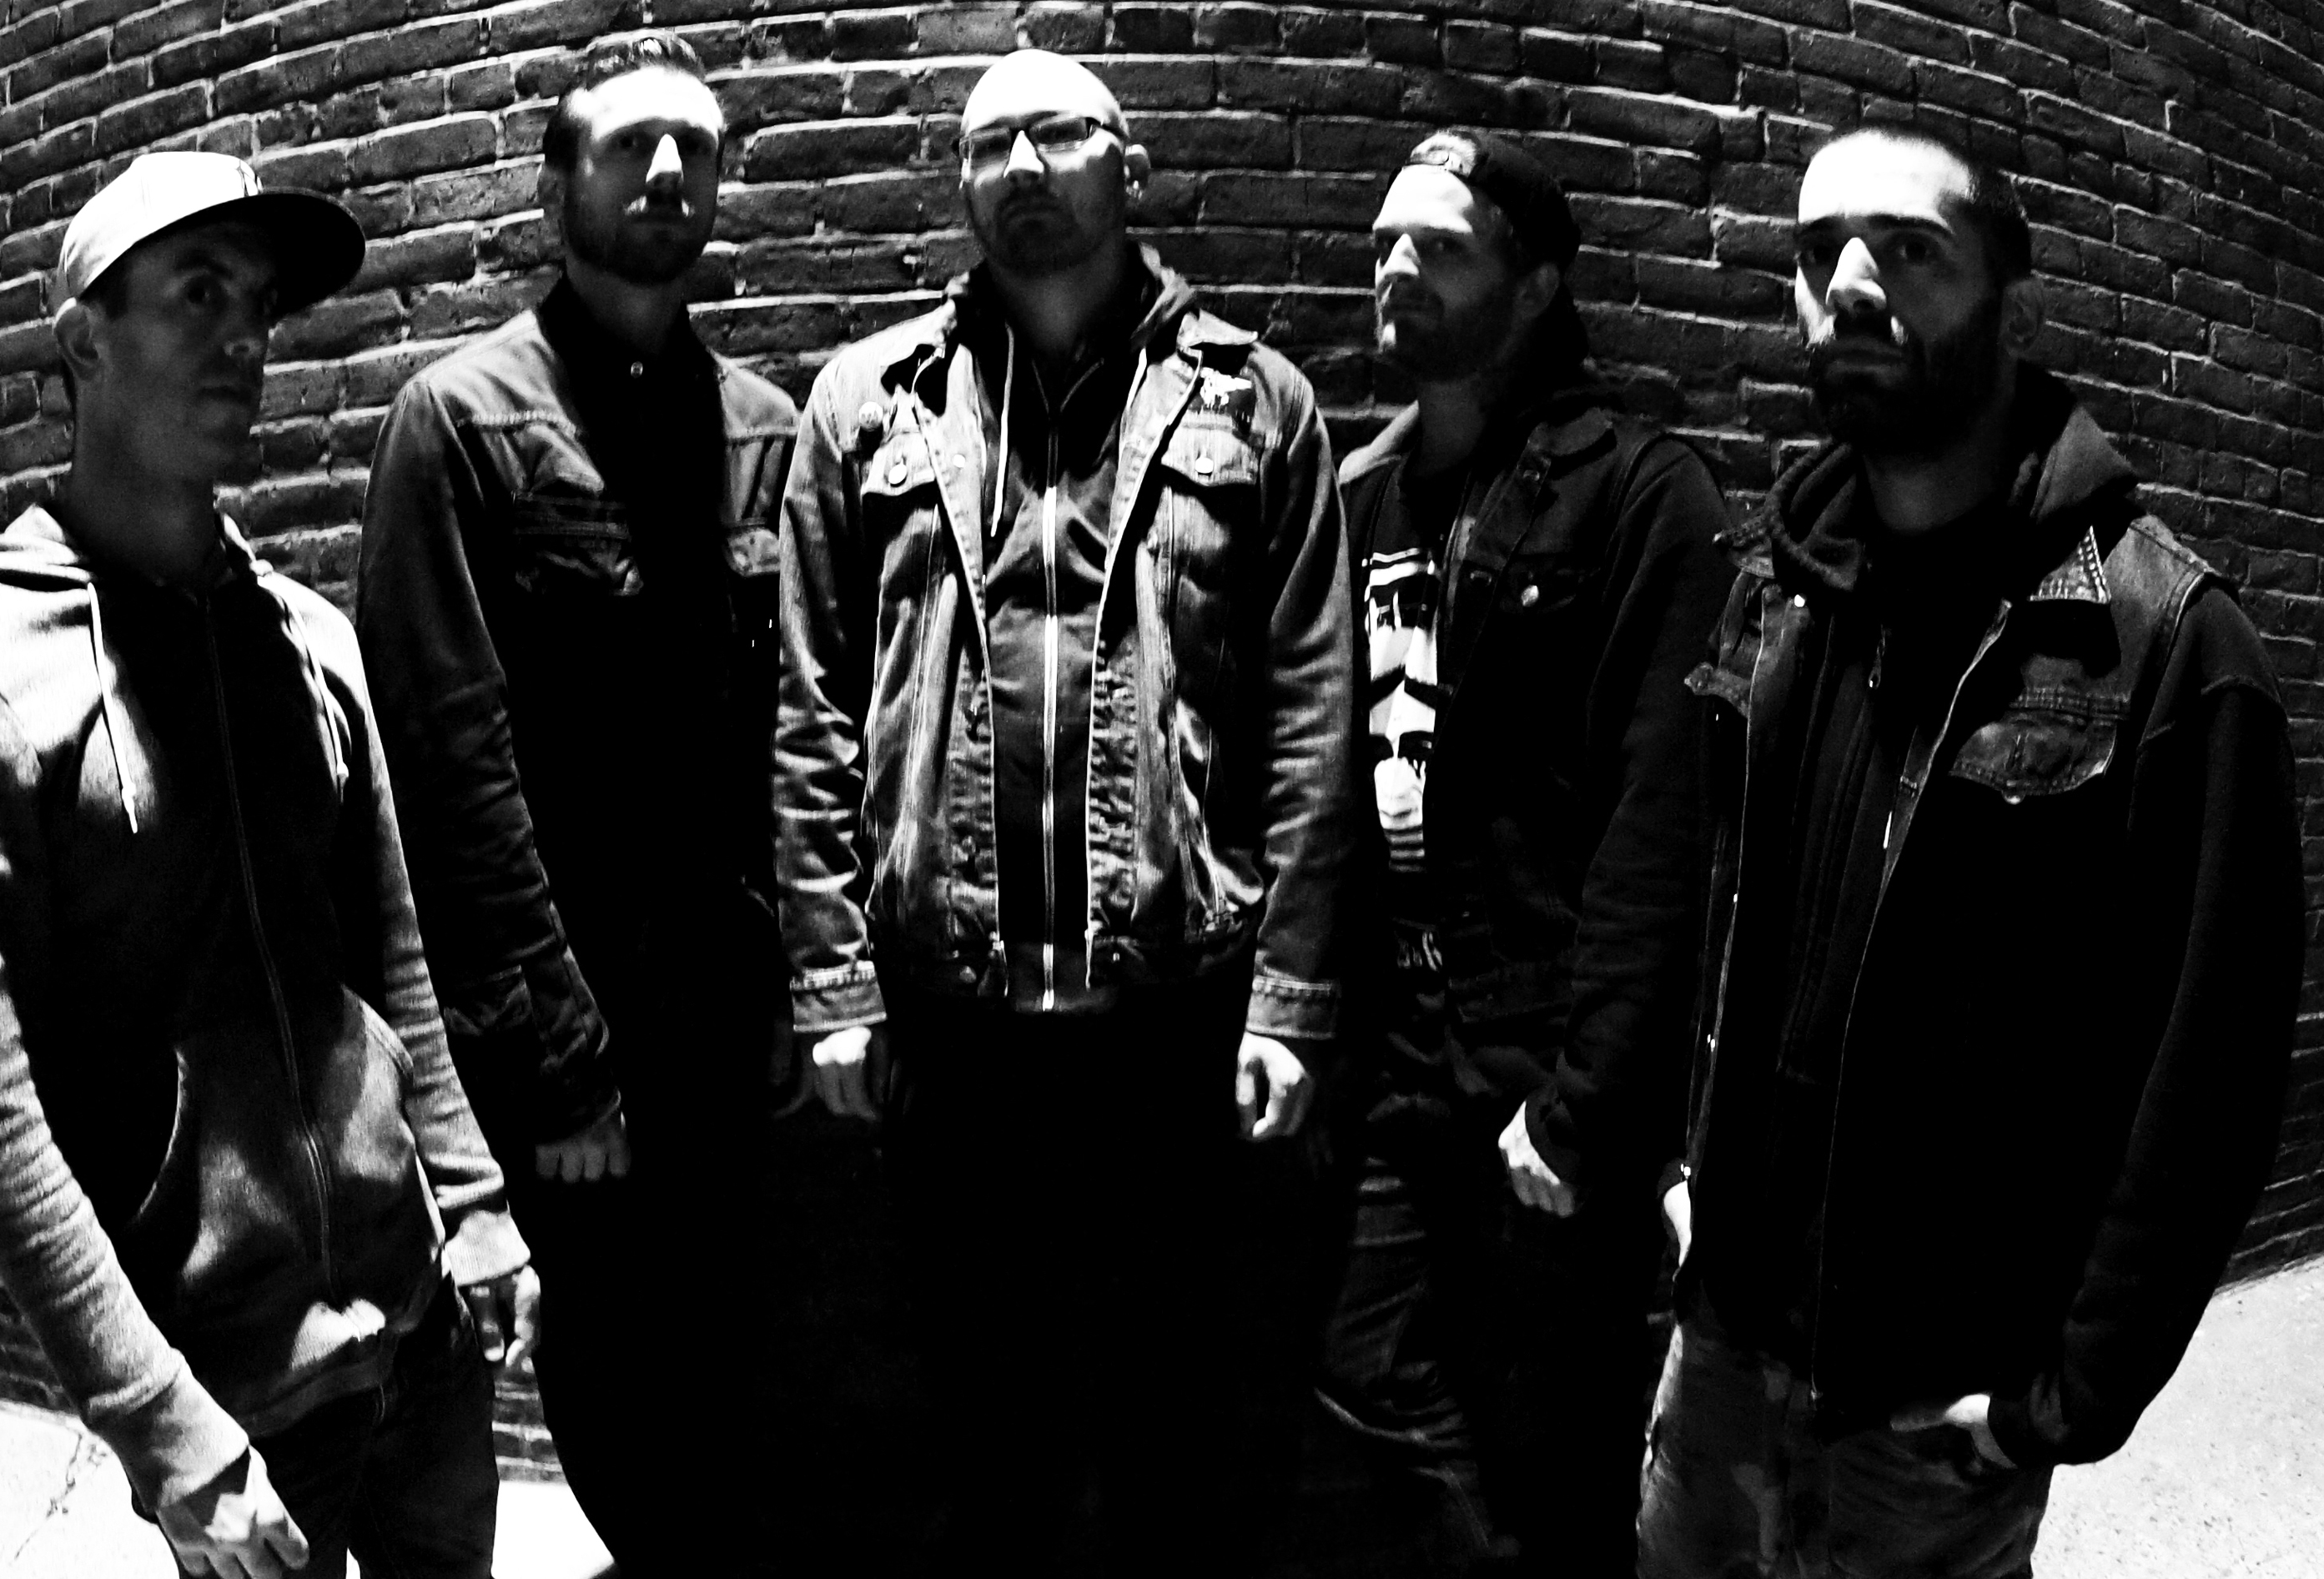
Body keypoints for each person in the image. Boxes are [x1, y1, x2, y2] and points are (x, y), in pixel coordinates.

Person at [0, 151, 536, 1579]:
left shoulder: (310, 643)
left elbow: (396, 957)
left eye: (262, 306)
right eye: (199, 292)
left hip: (421, 1337)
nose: (247, 338)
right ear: (83, 340)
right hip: (231, 1398)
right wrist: (159, 1425)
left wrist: (474, 1208)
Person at [1637, 126, 2301, 1579]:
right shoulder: (1773, 585)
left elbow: (2215, 1068)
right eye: (1818, 251)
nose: (1849, 283)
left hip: (1935, 1409)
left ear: (2020, 309)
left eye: (1909, 249)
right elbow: (1712, 906)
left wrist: (2065, 1396)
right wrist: (1684, 1175)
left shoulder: (2165, 641)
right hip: (1723, 1340)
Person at [772, 48, 1358, 1576]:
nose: (1022, 166)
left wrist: (1290, 999)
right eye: (988, 144)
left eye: (1057, 133)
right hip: (947, 1025)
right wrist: (834, 983)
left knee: (1179, 1428)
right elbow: (812, 707)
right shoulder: (867, 401)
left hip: (1174, 1019)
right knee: (980, 1429)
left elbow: (1313, 715)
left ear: (1130, 165)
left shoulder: (1258, 402)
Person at [354, 28, 796, 1573]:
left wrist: (799, 993)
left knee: (743, 1387)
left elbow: (796, 748)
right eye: (628, 145)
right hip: (577, 1037)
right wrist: (558, 1072)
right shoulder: (460, 422)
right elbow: (450, 772)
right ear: (557, 190)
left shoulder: (764, 429)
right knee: (622, 1404)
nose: (667, 170)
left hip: (733, 1035)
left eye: (696, 147)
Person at [1315, 130, 1738, 1577]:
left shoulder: (1644, 494)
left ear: (1539, 282)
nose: (1398, 269)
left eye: (1441, 248)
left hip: (1541, 1060)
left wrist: (1590, 1098)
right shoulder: (1361, 498)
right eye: (1386, 243)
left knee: (1557, 1433)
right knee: (1359, 1359)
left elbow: (1660, 823)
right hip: (1397, 1052)